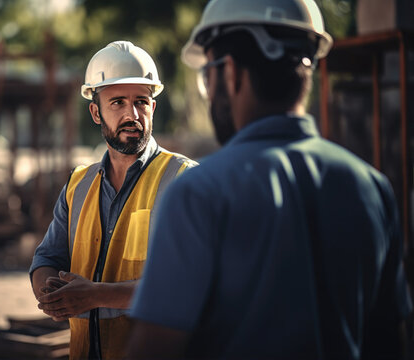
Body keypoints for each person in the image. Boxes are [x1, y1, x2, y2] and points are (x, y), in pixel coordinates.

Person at [128, 0, 413, 359]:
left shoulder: (197, 195)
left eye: (207, 77)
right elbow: (392, 343)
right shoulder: (372, 188)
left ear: (230, 73)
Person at [29, 40, 197, 359]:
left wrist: (93, 295)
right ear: (95, 112)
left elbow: (190, 286)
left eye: (141, 102)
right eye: (117, 102)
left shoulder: (184, 180)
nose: (131, 114)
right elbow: (47, 259)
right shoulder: (78, 185)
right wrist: (51, 293)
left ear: (153, 107)